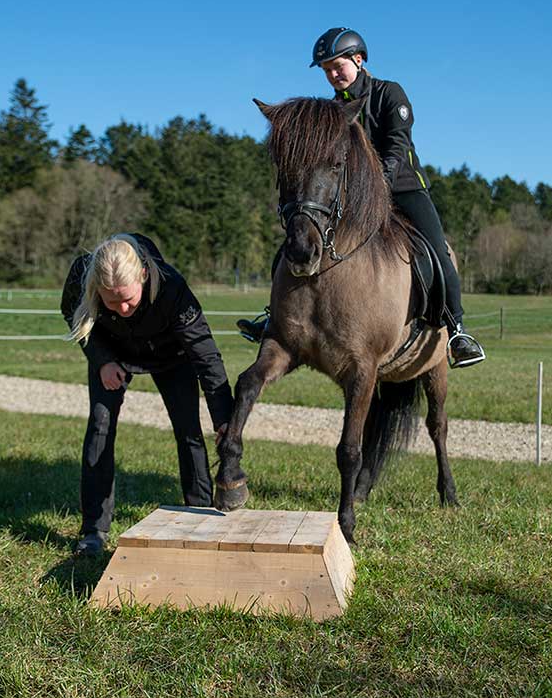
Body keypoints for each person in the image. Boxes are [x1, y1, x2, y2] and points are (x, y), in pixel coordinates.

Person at [238, 27, 486, 367]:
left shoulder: (389, 93)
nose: (333, 75)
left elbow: (397, 145)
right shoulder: (329, 110)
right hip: (352, 199)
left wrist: (380, 182)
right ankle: (275, 318)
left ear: (358, 59)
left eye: (337, 66)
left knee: (437, 249)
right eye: (326, 70)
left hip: (402, 188)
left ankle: (457, 330)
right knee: (296, 241)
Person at [61, 233, 233, 556]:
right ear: (96, 288)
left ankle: (200, 515)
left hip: (171, 355)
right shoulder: (82, 276)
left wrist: (224, 418)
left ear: (142, 274)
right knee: (100, 425)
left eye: (129, 299)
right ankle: (94, 529)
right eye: (112, 302)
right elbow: (72, 313)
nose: (123, 308)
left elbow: (206, 356)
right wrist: (102, 360)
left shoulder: (173, 289)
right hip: (113, 354)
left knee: (189, 430)